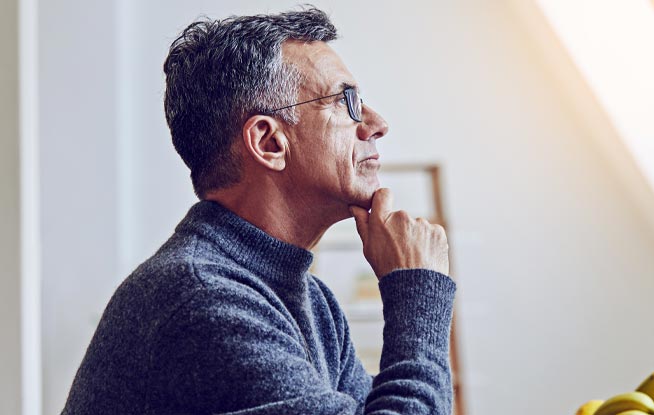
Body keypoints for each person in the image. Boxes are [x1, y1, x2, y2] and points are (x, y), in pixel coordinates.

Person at [61, 7, 455, 415]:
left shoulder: (312, 303)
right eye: (347, 101)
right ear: (268, 142)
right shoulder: (204, 300)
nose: (377, 123)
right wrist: (417, 288)